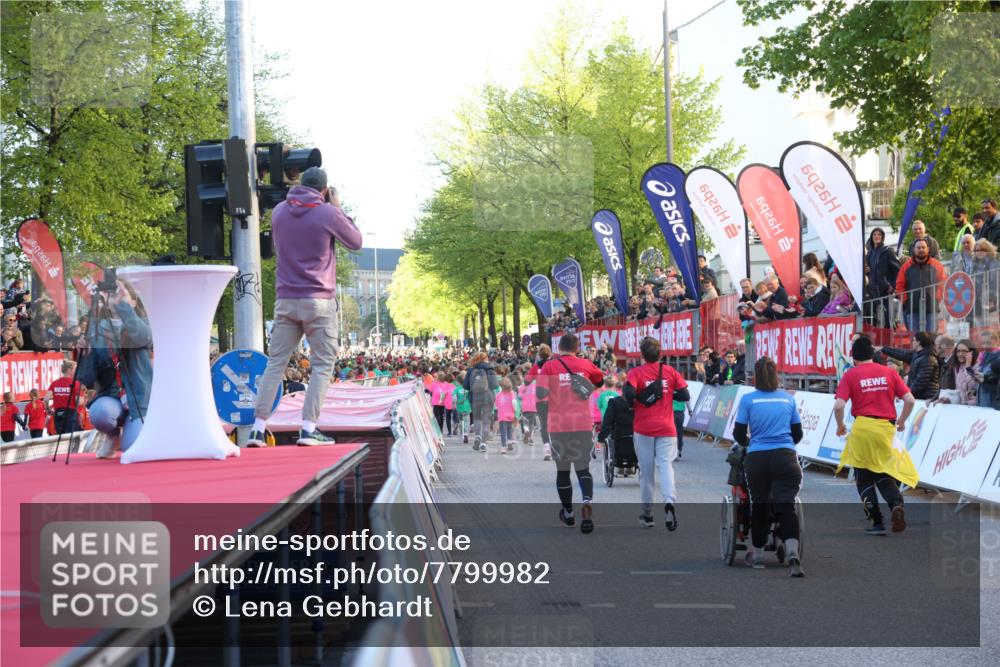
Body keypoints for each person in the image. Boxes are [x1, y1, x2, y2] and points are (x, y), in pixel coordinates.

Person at [248, 167, 363, 447]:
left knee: (275, 364)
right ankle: (308, 428)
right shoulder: (328, 213)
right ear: (324, 190)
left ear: (300, 183)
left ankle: (257, 429)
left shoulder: (279, 212)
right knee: (322, 365)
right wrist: (338, 207)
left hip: (286, 300)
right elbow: (356, 242)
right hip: (318, 301)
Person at [833, 336, 917, 536]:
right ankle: (896, 504)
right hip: (885, 429)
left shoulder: (851, 375)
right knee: (883, 472)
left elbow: (838, 405)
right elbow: (910, 400)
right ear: (873, 354)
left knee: (863, 478)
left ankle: (877, 522)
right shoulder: (889, 372)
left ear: (854, 358)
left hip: (862, 428)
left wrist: (840, 426)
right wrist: (902, 421)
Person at [731, 357, 804, 576]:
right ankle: (793, 553)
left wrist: (750, 443)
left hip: (758, 458)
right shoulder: (788, 399)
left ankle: (759, 555)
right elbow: (798, 433)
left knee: (759, 505)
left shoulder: (748, 400)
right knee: (786, 506)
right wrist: (785, 443)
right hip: (785, 457)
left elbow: (738, 433)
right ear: (776, 375)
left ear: (755, 377)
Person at [536, 334, 604, 534]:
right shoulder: (586, 364)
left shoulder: (549, 367)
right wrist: (584, 385)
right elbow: (600, 381)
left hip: (559, 425)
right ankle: (586, 501)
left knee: (563, 470)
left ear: (559, 348)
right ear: (576, 348)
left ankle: (568, 512)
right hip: (582, 423)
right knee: (583, 469)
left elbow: (540, 394)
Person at [78, 280, 153, 458]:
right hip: (112, 396)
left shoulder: (144, 324)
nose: (115, 297)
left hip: (139, 400)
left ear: (133, 302)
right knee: (99, 413)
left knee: (131, 448)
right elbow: (87, 379)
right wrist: (85, 354)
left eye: (121, 294)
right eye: (112, 294)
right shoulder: (97, 330)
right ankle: (112, 436)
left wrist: (123, 305)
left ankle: (132, 431)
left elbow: (141, 337)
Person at [623, 337, 691, 531]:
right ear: (660, 353)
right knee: (666, 466)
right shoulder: (670, 371)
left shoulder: (636, 372)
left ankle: (648, 514)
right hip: (667, 427)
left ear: (642, 354)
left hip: (643, 427)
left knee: (646, 472)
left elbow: (628, 394)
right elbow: (685, 395)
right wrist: (668, 394)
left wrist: (639, 399)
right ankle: (669, 501)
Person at [895, 238, 946, 334]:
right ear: (914, 249)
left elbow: (942, 283)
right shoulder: (906, 266)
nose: (921, 249)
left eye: (923, 247)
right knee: (914, 338)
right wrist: (905, 301)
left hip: (931, 307)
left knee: (932, 336)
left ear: (928, 249)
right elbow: (899, 285)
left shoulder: (937, 265)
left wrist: (936, 299)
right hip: (912, 308)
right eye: (918, 247)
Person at [879, 332, 940, 400]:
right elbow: (900, 353)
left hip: (926, 398)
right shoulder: (917, 354)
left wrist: (905, 394)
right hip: (919, 397)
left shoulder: (928, 359)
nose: (912, 342)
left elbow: (920, 382)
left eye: (913, 340)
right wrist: (883, 349)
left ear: (918, 342)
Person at [865, 227, 900, 328]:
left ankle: (889, 337)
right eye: (874, 234)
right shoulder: (870, 253)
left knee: (887, 319)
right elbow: (868, 270)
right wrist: (866, 270)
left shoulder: (888, 251)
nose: (877, 236)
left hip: (885, 290)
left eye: (879, 234)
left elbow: (897, 269)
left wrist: (892, 285)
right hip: (872, 290)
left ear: (883, 237)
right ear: (871, 237)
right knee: (874, 320)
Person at [597, 387, 636, 478]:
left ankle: (620, 467)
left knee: (615, 438)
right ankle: (630, 466)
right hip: (636, 437)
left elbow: (607, 420)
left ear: (622, 392)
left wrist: (601, 438)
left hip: (619, 436)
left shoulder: (614, 402)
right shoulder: (639, 402)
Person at [464, 351, 499, 451]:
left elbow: (465, 386)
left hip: (475, 397)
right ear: (485, 359)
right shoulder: (490, 369)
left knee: (477, 418)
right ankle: (483, 443)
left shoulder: (471, 370)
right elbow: (495, 385)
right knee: (486, 420)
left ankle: (477, 436)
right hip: (488, 396)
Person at [527, 344, 553, 460]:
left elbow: (527, 381)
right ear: (550, 354)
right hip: (554, 399)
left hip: (541, 399)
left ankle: (547, 450)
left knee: (544, 424)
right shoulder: (554, 365)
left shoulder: (536, 366)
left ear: (539, 355)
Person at [45, 360, 82, 435]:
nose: (77, 372)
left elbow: (46, 399)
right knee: (72, 438)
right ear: (69, 370)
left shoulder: (54, 383)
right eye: (75, 369)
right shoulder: (75, 383)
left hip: (58, 414)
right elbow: (78, 402)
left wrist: (48, 409)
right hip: (71, 414)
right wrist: (83, 399)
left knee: (61, 438)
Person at [494, 377, 517, 454]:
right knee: (509, 429)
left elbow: (496, 405)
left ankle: (503, 447)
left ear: (501, 386)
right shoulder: (512, 393)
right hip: (510, 414)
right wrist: (515, 411)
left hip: (502, 415)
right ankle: (509, 441)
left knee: (503, 431)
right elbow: (514, 403)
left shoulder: (498, 395)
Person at [518, 376, 537, 445]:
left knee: (525, 422)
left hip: (525, 407)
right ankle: (531, 439)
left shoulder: (522, 386)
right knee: (532, 423)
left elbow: (519, 397)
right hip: (533, 407)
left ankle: (526, 431)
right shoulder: (535, 386)